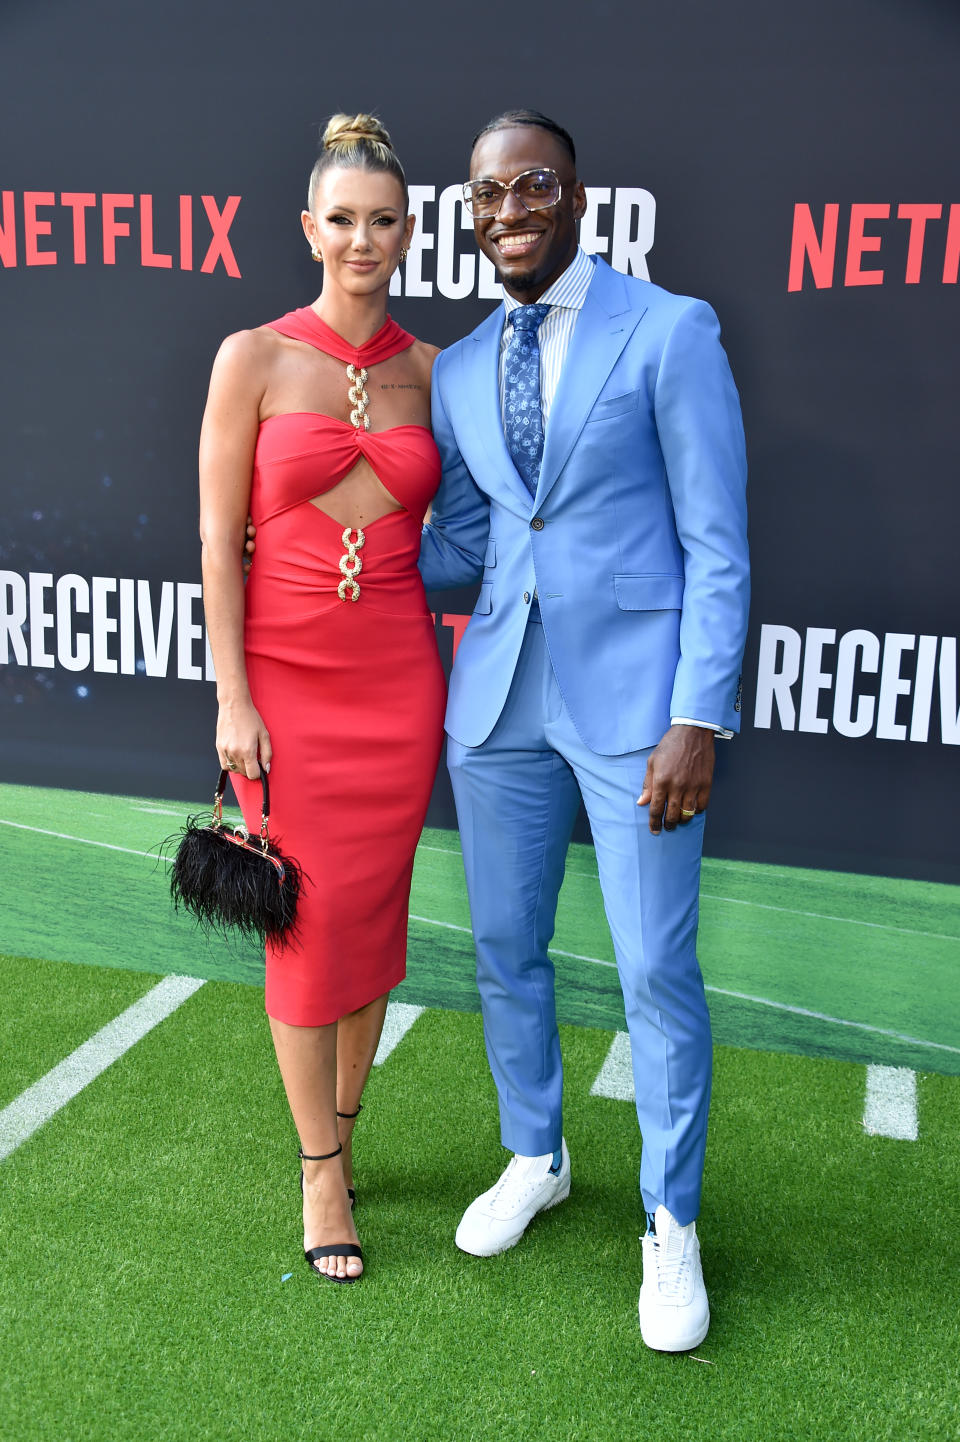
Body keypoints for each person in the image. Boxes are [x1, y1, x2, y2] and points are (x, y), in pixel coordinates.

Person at [418, 109, 749, 1351]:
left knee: (655, 969)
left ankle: (671, 1223)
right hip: (497, 696)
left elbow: (717, 540)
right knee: (506, 944)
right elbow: (465, 539)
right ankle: (535, 1150)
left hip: (637, 712)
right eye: (485, 193)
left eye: (531, 186)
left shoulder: (670, 330)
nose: (506, 209)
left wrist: (696, 713)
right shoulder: (456, 370)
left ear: (576, 196)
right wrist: (330, 527)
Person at [199, 114, 445, 1284]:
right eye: (341, 219)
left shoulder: (432, 370)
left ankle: (345, 1135)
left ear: (409, 230)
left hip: (400, 685)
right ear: (309, 228)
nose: (363, 238)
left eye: (383, 219)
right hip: (285, 688)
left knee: (372, 932)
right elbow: (215, 536)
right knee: (303, 928)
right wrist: (230, 692)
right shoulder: (251, 355)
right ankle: (317, 1171)